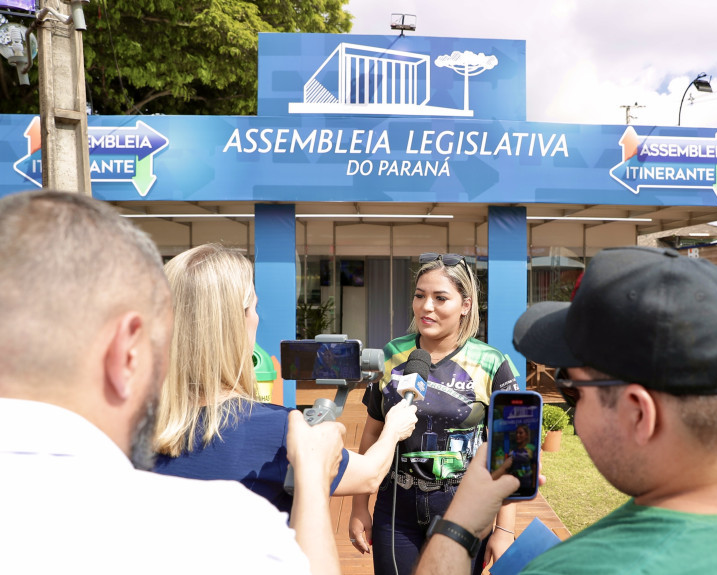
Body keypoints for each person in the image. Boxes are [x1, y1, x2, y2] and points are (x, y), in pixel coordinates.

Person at [415, 246, 717, 575]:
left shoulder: (589, 567)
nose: (571, 413)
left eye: (571, 391)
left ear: (637, 413)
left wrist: (460, 523)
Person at [0, 190, 345, 574]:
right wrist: (313, 477)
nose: (257, 318)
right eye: (252, 308)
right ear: (126, 349)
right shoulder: (240, 527)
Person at [152, 243, 418, 513]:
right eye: (253, 307)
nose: (257, 318)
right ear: (236, 322)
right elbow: (369, 475)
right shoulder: (281, 430)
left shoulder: (135, 428)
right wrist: (393, 430)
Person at [349, 252, 519, 575]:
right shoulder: (392, 353)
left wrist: (504, 529)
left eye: (440, 298)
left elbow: (508, 449)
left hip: (463, 505)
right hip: (395, 507)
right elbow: (372, 432)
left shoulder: (492, 362)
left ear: (465, 305)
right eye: (420, 295)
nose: (426, 307)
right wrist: (359, 506)